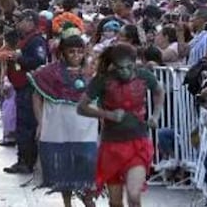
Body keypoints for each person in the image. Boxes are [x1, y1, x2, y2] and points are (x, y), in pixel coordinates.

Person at [76, 43, 163, 207]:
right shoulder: (103, 79)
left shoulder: (144, 75)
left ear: (134, 62)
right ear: (113, 66)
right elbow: (81, 107)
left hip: (138, 143)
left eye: (129, 67)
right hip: (112, 146)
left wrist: (156, 115)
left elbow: (159, 90)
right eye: (120, 68)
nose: (125, 72)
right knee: (115, 202)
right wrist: (107, 114)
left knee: (134, 194)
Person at [29, 29, 97, 207]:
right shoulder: (50, 72)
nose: (76, 55)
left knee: (87, 166)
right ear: (63, 53)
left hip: (85, 129)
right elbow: (36, 96)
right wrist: (40, 122)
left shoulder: (91, 72)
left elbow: (101, 98)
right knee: (63, 168)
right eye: (71, 51)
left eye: (80, 51)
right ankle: (67, 204)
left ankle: (88, 199)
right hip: (58, 128)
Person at [4, 9, 48, 174]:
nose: (18, 23)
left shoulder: (36, 41)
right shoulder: (25, 40)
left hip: (30, 88)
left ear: (30, 21)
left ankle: (27, 161)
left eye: (21, 20)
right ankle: (23, 158)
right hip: (21, 87)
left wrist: (19, 59)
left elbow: (39, 61)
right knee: (22, 124)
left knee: (27, 125)